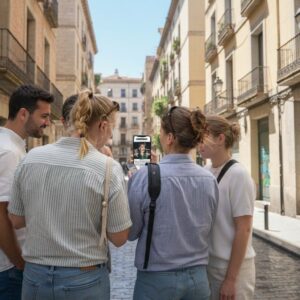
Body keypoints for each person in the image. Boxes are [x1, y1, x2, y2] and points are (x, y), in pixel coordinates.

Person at [8, 90, 132, 300]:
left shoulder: (31, 158)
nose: (111, 135)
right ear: (103, 125)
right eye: (112, 127)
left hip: (35, 277)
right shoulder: (108, 168)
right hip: (85, 279)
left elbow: (17, 220)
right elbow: (119, 238)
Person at [128, 106, 219, 300]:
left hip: (156, 281)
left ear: (170, 138)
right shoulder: (209, 179)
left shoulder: (144, 177)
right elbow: (209, 227)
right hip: (198, 280)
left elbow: (131, 232)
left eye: (160, 134)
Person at [0, 84, 53, 299]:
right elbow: (2, 215)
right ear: (23, 114)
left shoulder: (13, 147)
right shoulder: (9, 152)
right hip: (8, 269)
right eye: (44, 116)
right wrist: (19, 263)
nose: (47, 123)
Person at [198, 115, 256, 300]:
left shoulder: (239, 175)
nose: (198, 143)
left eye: (203, 137)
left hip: (233, 270)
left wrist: (231, 280)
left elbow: (244, 228)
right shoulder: (206, 172)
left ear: (220, 139)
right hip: (209, 265)